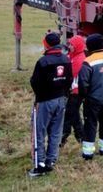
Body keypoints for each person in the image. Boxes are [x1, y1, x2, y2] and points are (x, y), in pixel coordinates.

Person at [28, 31, 73, 177]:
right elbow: (69, 79)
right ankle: (51, 161)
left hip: (45, 101)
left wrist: (40, 97)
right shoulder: (66, 59)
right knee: (55, 131)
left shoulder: (43, 62)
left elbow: (35, 82)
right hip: (61, 99)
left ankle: (39, 164)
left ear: (46, 44)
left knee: (39, 131)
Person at [79, 33, 103, 160]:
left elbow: (83, 83)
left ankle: (88, 153)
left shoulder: (88, 62)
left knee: (90, 124)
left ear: (90, 46)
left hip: (92, 100)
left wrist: (83, 96)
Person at [60, 34, 86, 147]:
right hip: (72, 90)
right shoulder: (73, 56)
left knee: (70, 113)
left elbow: (70, 75)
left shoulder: (79, 59)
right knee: (73, 113)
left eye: (71, 44)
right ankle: (80, 136)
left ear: (77, 46)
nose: (69, 46)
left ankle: (64, 136)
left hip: (76, 91)